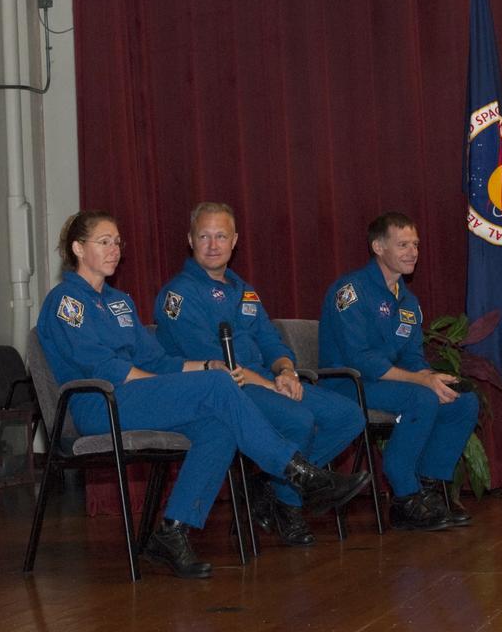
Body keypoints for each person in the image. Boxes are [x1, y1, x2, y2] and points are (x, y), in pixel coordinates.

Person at [37, 211, 370, 579]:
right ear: (78, 249)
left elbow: (159, 360)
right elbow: (102, 367)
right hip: (101, 403)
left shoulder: (120, 303)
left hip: (139, 396)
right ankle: (300, 474)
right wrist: (175, 383)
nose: (114, 249)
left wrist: (207, 366)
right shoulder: (66, 302)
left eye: (117, 242)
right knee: (219, 388)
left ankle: (172, 531)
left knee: (218, 425)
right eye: (104, 242)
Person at [153, 202, 365, 546]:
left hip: (265, 381)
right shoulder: (177, 296)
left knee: (348, 415)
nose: (212, 244)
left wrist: (286, 372)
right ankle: (288, 505)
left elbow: (270, 339)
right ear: (189, 240)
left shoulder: (243, 290)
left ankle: (274, 485)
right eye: (204, 236)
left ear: (235, 241)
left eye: (221, 236)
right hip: (224, 390)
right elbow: (215, 364)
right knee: (298, 420)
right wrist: (271, 384)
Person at [317, 212, 478, 531]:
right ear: (378, 247)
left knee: (463, 401)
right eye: (402, 244)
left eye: (415, 244)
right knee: (422, 398)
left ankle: (430, 490)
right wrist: (419, 381)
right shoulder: (350, 291)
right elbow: (359, 359)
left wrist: (431, 377)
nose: (413, 252)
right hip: (348, 385)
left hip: (389, 385)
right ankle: (404, 496)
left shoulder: (408, 302)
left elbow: (413, 355)